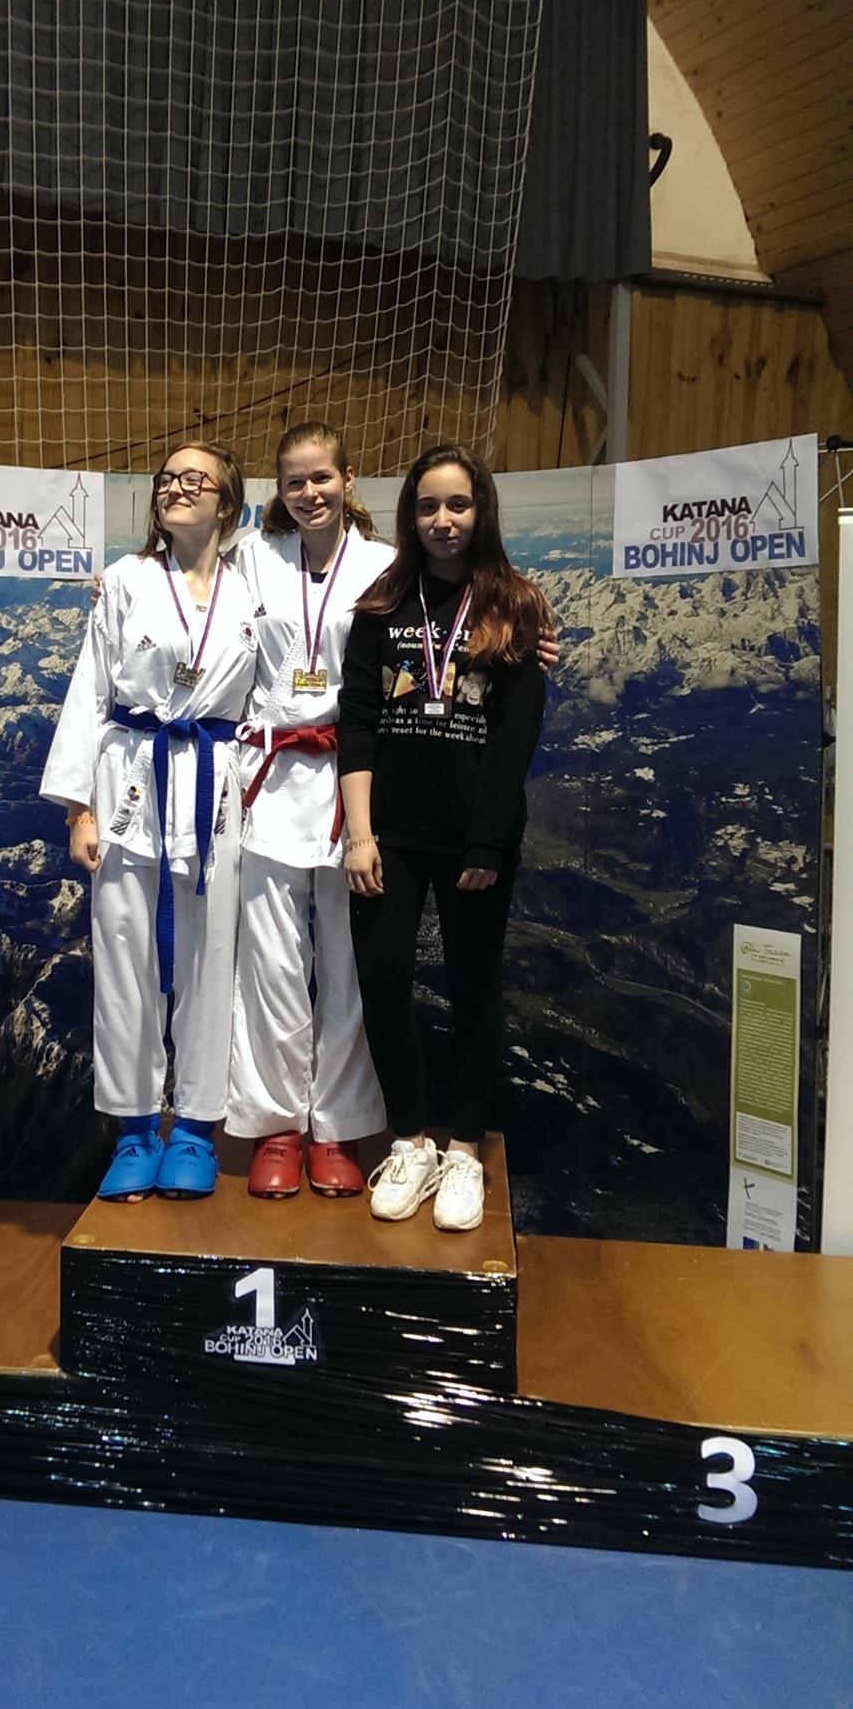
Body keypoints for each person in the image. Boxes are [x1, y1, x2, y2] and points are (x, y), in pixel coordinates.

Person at [338, 443, 552, 1232]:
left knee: (474, 989)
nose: (443, 520)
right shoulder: (381, 605)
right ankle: (410, 1143)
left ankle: (462, 1150)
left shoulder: (516, 606)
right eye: (428, 506)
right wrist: (359, 835)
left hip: (474, 839)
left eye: (458, 504)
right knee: (383, 983)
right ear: (410, 515)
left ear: (481, 509)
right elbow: (357, 723)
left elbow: (517, 735)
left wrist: (488, 843)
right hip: (388, 834)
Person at [41, 442, 256, 1201]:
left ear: (228, 504)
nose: (176, 488)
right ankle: (134, 1129)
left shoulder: (253, 584)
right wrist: (80, 808)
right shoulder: (126, 579)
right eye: (167, 479)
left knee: (211, 959)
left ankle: (195, 1128)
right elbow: (90, 691)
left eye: (196, 479)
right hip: (130, 780)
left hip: (214, 786)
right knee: (125, 956)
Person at [226, 423, 394, 1197]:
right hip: (268, 776)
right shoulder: (253, 557)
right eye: (294, 482)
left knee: (349, 959)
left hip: (353, 780)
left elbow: (457, 615)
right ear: (280, 491)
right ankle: (277, 1125)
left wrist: (528, 631)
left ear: (348, 479)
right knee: (270, 962)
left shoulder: (385, 565)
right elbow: (184, 586)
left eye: (322, 477)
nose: (310, 492)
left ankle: (337, 1124)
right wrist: (115, 584)